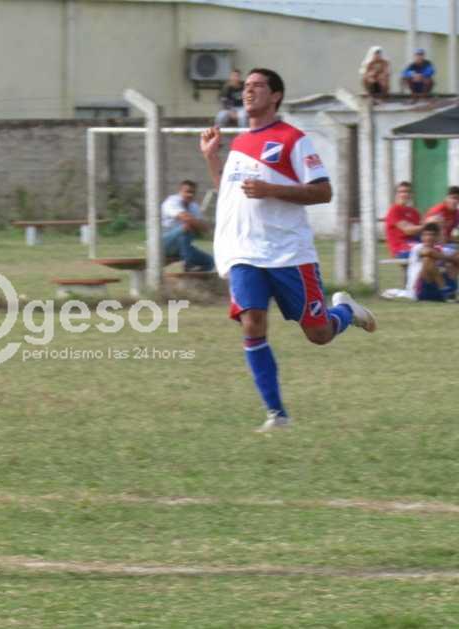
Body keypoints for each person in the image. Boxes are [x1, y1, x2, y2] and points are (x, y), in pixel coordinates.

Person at [199, 68, 376, 432]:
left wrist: (271, 190)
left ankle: (345, 310)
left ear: (276, 95)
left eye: (257, 86)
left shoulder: (294, 140)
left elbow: (323, 191)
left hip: (288, 254)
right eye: (246, 86)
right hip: (244, 252)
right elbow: (229, 192)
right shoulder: (240, 142)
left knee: (319, 333)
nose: (248, 91)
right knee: (252, 322)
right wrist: (212, 158)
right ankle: (277, 415)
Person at [161, 180, 215, 271]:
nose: (190, 195)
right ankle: (188, 263)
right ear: (180, 191)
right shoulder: (171, 202)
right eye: (187, 192)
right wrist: (196, 224)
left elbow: (204, 228)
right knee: (186, 227)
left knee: (210, 261)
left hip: (182, 248)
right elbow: (186, 219)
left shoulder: (194, 206)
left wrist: (196, 224)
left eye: (193, 192)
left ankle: (192, 278)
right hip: (163, 244)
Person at [405, 222, 459, 301]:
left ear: (437, 237)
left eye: (432, 235)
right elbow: (428, 252)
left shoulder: (441, 249)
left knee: (452, 263)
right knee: (427, 259)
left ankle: (451, 293)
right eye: (425, 235)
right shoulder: (418, 247)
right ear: (421, 237)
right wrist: (448, 259)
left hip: (436, 290)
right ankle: (444, 289)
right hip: (421, 291)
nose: (428, 237)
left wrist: (450, 260)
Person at [385, 181, 422, 258]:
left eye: (408, 192)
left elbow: (420, 231)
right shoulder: (394, 210)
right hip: (401, 248)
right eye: (401, 192)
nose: (405, 194)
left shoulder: (414, 212)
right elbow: (408, 230)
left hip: (415, 244)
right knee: (428, 251)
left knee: (444, 249)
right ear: (396, 194)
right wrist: (427, 226)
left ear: (411, 194)